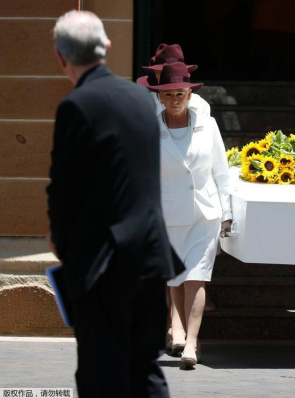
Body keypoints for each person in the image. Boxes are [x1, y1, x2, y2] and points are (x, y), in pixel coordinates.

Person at [46, 11, 184, 397]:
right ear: (106, 47)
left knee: (99, 372)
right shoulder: (141, 101)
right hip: (150, 257)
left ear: (60, 58)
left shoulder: (75, 106)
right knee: (146, 373)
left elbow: (64, 190)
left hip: (103, 263)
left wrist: (62, 242)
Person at [138, 62, 232, 368]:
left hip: (204, 214)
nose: (175, 99)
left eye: (180, 93)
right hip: (167, 216)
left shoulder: (209, 125)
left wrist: (227, 213)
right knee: (176, 277)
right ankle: (180, 332)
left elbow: (222, 172)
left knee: (197, 278)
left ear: (190, 95)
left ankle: (191, 343)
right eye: (169, 95)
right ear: (160, 98)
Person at [144, 43, 211, 116]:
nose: (170, 74)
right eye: (165, 71)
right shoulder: (145, 104)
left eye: (176, 71)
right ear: (156, 73)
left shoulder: (199, 104)